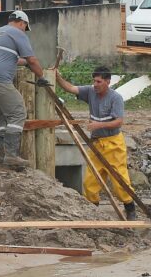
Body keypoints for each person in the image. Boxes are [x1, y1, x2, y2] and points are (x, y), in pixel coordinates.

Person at [55, 66, 137, 221]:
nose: (95, 84)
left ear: (107, 81)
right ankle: (93, 212)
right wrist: (58, 78)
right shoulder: (90, 92)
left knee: (120, 182)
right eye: (94, 81)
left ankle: (130, 208)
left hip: (113, 144)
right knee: (90, 182)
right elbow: (70, 88)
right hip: (97, 144)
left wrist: (98, 125)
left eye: (99, 81)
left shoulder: (116, 98)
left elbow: (119, 121)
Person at [0, 10, 48, 169]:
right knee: (18, 112)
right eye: (25, 27)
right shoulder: (17, 33)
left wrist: (27, 64)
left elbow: (13, 58)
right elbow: (32, 59)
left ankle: (1, 155)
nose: (24, 30)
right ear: (22, 23)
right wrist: (41, 76)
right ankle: (11, 155)